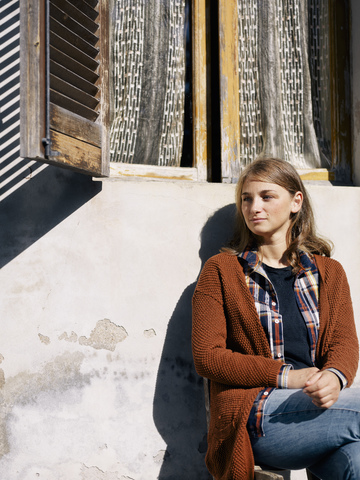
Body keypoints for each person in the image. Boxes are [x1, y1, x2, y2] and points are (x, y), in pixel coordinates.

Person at [192, 158, 359, 480]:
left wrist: (335, 377)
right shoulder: (221, 270)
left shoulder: (329, 272)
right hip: (253, 415)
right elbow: (207, 358)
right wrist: (286, 377)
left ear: (296, 202)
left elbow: (344, 342)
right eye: (247, 198)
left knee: (357, 458)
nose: (255, 206)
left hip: (319, 411)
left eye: (267, 197)